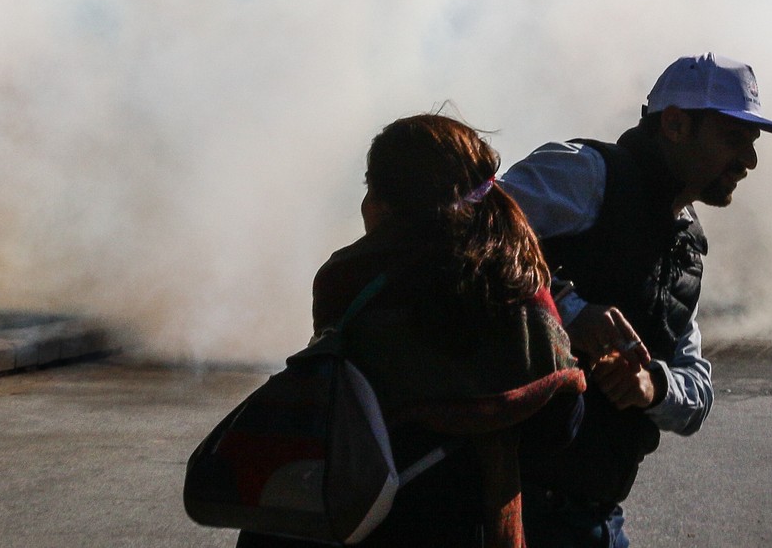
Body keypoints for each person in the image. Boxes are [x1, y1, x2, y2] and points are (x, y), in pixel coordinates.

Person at [239, 114, 586, 548]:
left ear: (385, 204)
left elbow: (337, 406)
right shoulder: (519, 281)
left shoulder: (348, 278)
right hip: (479, 524)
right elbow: (561, 423)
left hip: (368, 521)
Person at [503, 53, 772, 548]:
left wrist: (652, 386)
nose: (749, 161)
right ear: (676, 124)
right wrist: (567, 311)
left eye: (752, 143)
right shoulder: (588, 173)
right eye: (734, 138)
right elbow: (468, 231)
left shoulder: (684, 245)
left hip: (595, 518)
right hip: (511, 504)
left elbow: (696, 393)